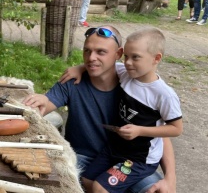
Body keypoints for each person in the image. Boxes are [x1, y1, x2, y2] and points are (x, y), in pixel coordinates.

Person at [23, 25, 177, 193]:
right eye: (87, 51)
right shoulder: (73, 81)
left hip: (129, 160)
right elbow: (45, 104)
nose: (91, 58)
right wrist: (39, 103)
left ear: (118, 54)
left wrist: (170, 178)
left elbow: (159, 133)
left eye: (101, 52)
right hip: (81, 158)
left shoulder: (134, 84)